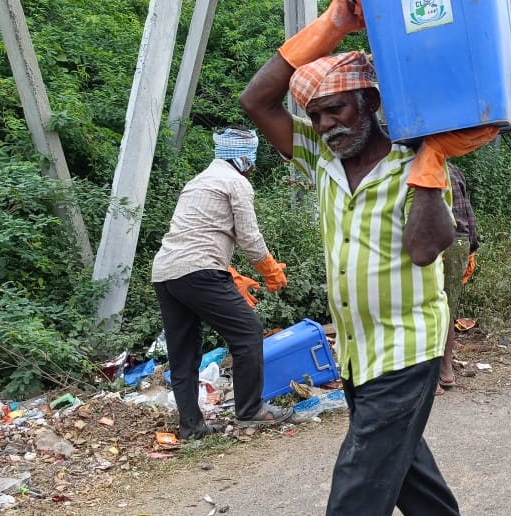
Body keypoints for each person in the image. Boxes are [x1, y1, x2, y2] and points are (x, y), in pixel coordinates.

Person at [239, 2, 465, 512]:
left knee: (359, 483)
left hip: (406, 350)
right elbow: (257, 101)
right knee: (407, 471)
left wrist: (432, 164)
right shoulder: (322, 161)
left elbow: (426, 249)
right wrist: (333, 24)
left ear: (368, 102)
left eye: (335, 109)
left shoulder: (415, 163)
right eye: (315, 115)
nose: (324, 125)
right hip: (357, 352)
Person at [151, 127, 292, 440]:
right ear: (242, 156)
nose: (252, 164)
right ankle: (251, 410)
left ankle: (191, 426)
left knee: (184, 354)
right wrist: (269, 269)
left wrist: (231, 273)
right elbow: (250, 238)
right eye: (251, 157)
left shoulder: (198, 182)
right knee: (248, 332)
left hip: (166, 273)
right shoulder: (235, 182)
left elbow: (195, 233)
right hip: (199, 271)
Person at [437, 163, 479, 394]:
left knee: (424, 308)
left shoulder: (410, 169)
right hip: (458, 242)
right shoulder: (453, 169)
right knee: (447, 307)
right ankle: (446, 371)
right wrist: (472, 245)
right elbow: (467, 212)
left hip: (431, 241)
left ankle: (432, 374)